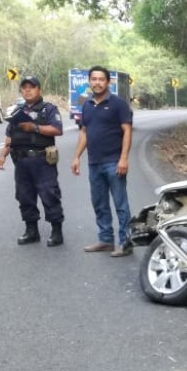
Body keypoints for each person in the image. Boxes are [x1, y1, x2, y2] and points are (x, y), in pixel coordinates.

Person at [70, 65, 133, 257]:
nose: (97, 82)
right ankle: (106, 240)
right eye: (94, 79)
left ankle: (125, 242)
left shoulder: (118, 104)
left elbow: (127, 131)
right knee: (99, 202)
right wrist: (76, 156)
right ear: (89, 81)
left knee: (120, 203)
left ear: (108, 82)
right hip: (94, 163)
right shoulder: (87, 104)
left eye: (101, 79)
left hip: (114, 161)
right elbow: (84, 132)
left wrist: (123, 158)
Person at [0, 76, 64, 247]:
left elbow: (57, 129)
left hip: (42, 160)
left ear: (39, 90)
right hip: (21, 162)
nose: (27, 90)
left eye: (31, 87)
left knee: (49, 195)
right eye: (24, 88)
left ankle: (57, 231)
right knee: (24, 196)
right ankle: (31, 230)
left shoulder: (48, 109)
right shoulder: (17, 112)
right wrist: (3, 155)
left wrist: (34, 127)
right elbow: (10, 136)